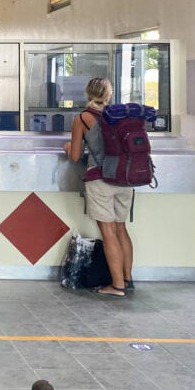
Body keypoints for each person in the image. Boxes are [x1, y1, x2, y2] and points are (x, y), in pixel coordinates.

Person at [63, 77, 134, 298]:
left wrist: (67, 147)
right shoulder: (119, 116)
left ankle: (117, 285)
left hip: (101, 179)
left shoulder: (83, 118)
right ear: (109, 95)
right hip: (125, 178)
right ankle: (128, 279)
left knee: (108, 231)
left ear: (87, 93)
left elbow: (75, 156)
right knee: (121, 228)